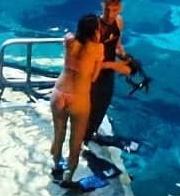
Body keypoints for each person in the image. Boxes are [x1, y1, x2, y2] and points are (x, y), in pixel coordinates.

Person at [50, 13, 129, 187]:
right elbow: (93, 77)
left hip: (59, 92)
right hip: (78, 97)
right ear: (94, 32)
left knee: (59, 133)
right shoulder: (97, 49)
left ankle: (56, 164)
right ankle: (68, 178)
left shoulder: (69, 40)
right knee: (75, 142)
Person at [85, 0, 128, 144]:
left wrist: (124, 56)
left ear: (120, 8)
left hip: (107, 72)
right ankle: (83, 137)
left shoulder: (119, 22)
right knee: (90, 104)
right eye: (107, 10)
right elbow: (90, 57)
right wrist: (115, 65)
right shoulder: (96, 27)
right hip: (93, 72)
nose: (110, 14)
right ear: (102, 6)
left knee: (103, 103)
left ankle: (92, 134)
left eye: (115, 10)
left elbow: (117, 44)